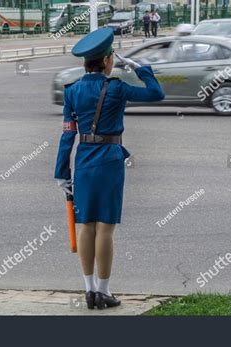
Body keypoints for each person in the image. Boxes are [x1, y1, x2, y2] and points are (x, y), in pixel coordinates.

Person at [54, 28, 164, 310]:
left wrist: (61, 173)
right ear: (105, 61)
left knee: (85, 226)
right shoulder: (116, 88)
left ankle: (89, 290)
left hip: (83, 162)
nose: (114, 61)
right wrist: (142, 69)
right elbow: (156, 94)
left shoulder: (72, 91)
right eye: (112, 57)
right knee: (105, 229)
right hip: (110, 162)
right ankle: (103, 291)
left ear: (84, 63)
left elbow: (68, 134)